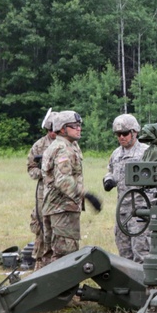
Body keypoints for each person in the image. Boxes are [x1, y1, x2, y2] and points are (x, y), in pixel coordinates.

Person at [39, 111, 101, 267]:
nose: (78, 129)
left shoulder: (61, 145)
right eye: (73, 126)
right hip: (63, 210)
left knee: (51, 254)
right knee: (65, 257)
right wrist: (87, 195)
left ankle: (51, 289)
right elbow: (63, 181)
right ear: (62, 129)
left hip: (54, 208)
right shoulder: (63, 148)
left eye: (79, 125)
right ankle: (62, 291)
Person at [103, 113, 150, 262]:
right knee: (124, 252)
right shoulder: (116, 154)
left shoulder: (146, 152)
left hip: (140, 211)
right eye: (118, 134)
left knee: (141, 251)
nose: (121, 137)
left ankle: (144, 284)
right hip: (122, 211)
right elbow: (110, 170)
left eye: (124, 133)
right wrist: (108, 180)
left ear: (134, 132)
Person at [27, 109, 57, 266]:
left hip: (61, 192)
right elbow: (31, 169)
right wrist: (44, 172)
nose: (52, 133)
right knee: (42, 228)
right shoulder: (39, 146)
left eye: (55, 129)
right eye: (49, 130)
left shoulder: (69, 144)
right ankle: (41, 263)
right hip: (43, 192)